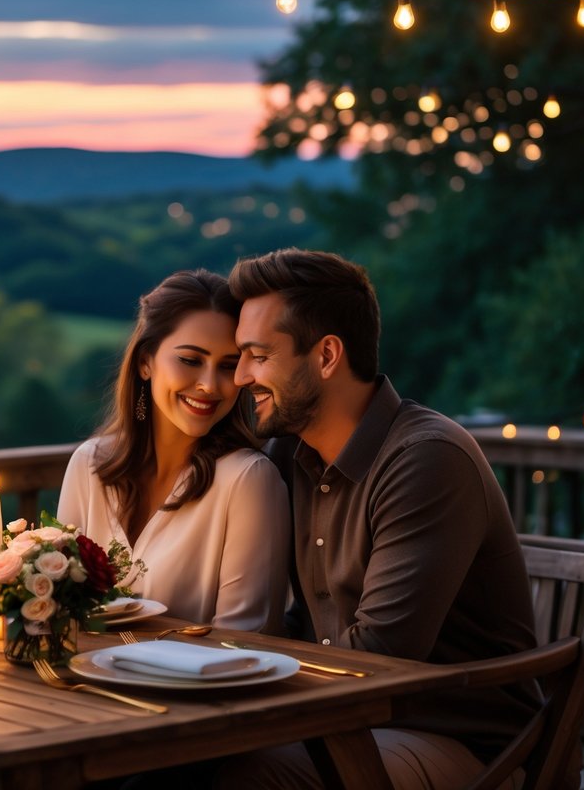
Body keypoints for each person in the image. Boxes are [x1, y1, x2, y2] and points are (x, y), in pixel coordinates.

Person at [219, 247, 543, 788]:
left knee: (235, 773)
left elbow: (381, 656)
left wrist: (241, 677)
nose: (240, 377)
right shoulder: (290, 457)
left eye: (258, 354)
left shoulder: (426, 459)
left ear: (326, 356)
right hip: (349, 716)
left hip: (462, 739)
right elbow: (308, 626)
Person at [58, 269, 290, 632]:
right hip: (81, 683)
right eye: (191, 360)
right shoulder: (89, 464)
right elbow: (60, 612)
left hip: (196, 688)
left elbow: (244, 640)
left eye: (228, 367)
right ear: (145, 361)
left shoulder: (247, 480)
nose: (209, 385)